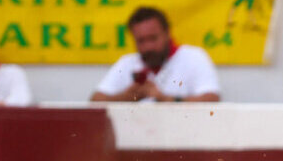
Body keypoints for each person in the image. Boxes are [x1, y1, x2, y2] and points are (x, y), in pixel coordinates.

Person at [91, 7, 221, 103]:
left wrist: (166, 99)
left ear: (167, 33)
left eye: (153, 38)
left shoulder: (194, 57)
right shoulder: (127, 63)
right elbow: (95, 100)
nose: (148, 47)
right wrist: (126, 97)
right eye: (141, 41)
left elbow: (211, 99)